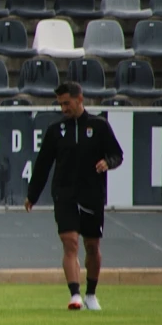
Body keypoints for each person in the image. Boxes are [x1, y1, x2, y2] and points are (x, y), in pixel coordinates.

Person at [25, 82, 123, 311]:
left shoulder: (99, 126)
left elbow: (118, 155)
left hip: (92, 194)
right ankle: (75, 295)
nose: (63, 109)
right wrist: (32, 194)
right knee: (69, 243)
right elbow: (43, 164)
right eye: (60, 104)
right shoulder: (55, 130)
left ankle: (91, 293)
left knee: (92, 246)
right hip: (64, 194)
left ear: (80, 100)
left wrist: (107, 163)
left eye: (66, 103)